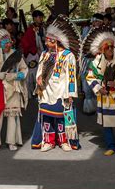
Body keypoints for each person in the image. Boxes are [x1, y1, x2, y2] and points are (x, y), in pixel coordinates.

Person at [32, 15, 80, 152]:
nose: (46, 43)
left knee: (61, 117)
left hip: (61, 92)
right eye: (46, 40)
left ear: (56, 41)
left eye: (48, 41)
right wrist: (39, 78)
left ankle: (64, 141)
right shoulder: (45, 55)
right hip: (46, 91)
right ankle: (48, 141)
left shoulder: (68, 55)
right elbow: (39, 71)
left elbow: (71, 77)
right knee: (46, 116)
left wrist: (70, 93)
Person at [83, 27, 115, 159]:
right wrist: (99, 88)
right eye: (107, 47)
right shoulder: (96, 62)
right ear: (102, 49)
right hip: (104, 97)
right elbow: (89, 76)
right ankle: (111, 146)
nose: (110, 49)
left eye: (112, 47)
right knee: (107, 125)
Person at [21, 10, 46, 96]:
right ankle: (31, 92)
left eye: (41, 17)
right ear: (34, 18)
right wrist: (35, 49)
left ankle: (39, 91)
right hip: (32, 54)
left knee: (40, 73)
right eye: (39, 17)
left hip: (41, 53)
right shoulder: (30, 29)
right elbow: (26, 42)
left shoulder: (42, 28)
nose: (41, 19)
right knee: (32, 74)